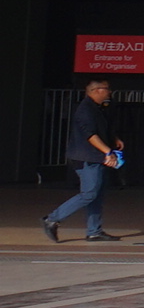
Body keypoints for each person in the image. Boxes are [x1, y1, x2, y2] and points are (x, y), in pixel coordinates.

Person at [44, 75, 122, 242]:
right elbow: (90, 135)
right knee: (89, 194)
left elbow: (102, 129)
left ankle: (94, 230)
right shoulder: (85, 110)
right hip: (87, 157)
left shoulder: (99, 108)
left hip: (96, 157)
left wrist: (114, 139)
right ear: (96, 90)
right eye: (107, 89)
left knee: (97, 194)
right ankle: (52, 219)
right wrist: (108, 151)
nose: (109, 92)